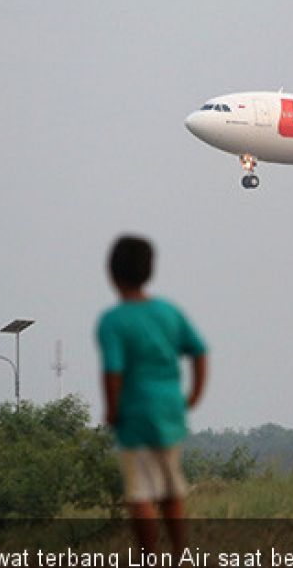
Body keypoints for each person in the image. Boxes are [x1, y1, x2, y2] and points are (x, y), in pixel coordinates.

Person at [97, 235, 208, 555]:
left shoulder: (112, 321)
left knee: (141, 493)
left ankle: (150, 556)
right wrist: (195, 395)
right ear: (149, 272)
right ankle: (179, 552)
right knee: (172, 488)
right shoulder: (169, 312)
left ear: (113, 275)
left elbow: (112, 372)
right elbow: (200, 352)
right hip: (170, 409)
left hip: (135, 412)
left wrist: (112, 409)